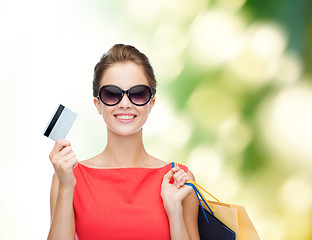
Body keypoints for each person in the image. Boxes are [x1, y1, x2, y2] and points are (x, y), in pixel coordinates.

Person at [47, 44, 200, 240]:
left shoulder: (179, 178)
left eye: (138, 93)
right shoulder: (68, 177)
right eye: (112, 94)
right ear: (98, 104)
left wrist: (174, 211)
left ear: (151, 103)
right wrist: (66, 187)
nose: (125, 104)